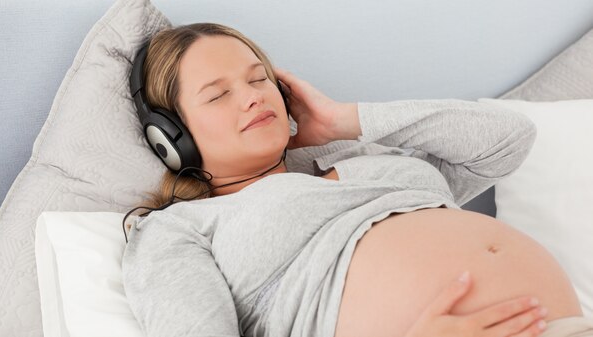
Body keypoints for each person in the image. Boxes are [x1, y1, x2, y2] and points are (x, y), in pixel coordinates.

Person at [121, 22, 593, 337]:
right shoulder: (179, 228)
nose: (250, 97)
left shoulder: (363, 155)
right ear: (170, 137)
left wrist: (344, 121)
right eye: (218, 94)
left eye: (259, 79)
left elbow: (507, 139)